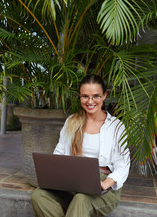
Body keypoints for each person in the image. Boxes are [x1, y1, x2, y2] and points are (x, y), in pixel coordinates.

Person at [31, 74, 130, 217]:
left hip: (103, 184)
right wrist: (55, 177)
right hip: (72, 181)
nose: (90, 101)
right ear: (80, 96)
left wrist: (106, 183)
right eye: (85, 96)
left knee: (81, 199)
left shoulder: (116, 126)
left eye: (96, 96)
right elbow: (59, 154)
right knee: (39, 196)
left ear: (104, 96)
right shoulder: (72, 121)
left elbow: (123, 163)